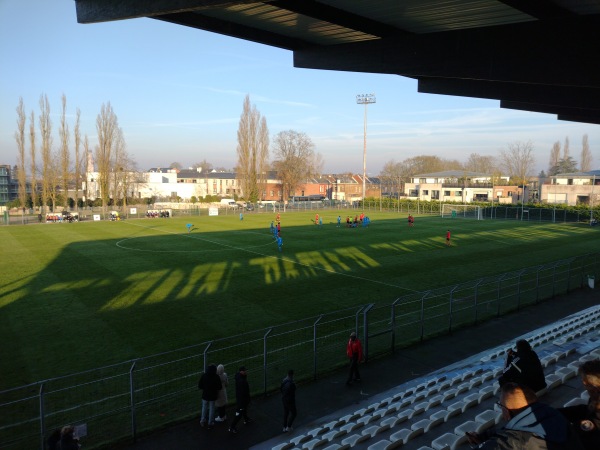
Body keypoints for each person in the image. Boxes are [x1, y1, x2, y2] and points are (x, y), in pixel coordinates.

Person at [466, 382, 583, 449]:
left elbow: (509, 439)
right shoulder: (554, 415)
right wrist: (482, 437)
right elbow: (509, 430)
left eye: (500, 405)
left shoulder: (514, 442)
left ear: (506, 412)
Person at [558, 359, 600, 450]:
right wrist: (556, 412)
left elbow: (587, 428)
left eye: (585, 381)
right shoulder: (595, 397)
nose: (583, 383)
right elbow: (586, 410)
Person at [198, 364, 222, 429]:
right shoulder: (216, 377)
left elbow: (200, 386)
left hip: (205, 395)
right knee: (211, 408)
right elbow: (219, 387)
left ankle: (202, 421)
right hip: (213, 396)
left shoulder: (204, 375)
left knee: (204, 407)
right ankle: (210, 422)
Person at [229, 366, 252, 434]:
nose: (246, 372)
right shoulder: (242, 381)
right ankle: (232, 427)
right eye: (244, 371)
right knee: (239, 414)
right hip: (242, 400)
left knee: (244, 409)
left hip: (241, 399)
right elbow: (244, 392)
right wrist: (246, 399)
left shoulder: (239, 377)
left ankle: (246, 419)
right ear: (241, 371)